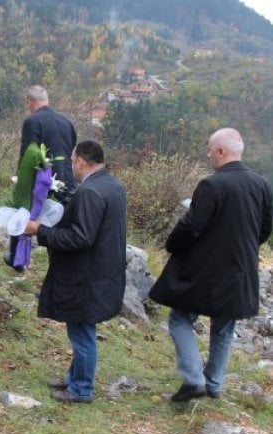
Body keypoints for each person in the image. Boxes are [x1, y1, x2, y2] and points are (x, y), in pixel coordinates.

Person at [149, 128, 272, 402]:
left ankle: (194, 378)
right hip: (240, 270)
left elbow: (191, 225)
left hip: (204, 272)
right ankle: (214, 384)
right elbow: (264, 230)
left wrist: (172, 244)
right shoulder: (262, 185)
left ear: (221, 151)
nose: (207, 155)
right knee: (224, 328)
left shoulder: (212, 185)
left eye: (209, 149)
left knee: (180, 318)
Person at [24, 140, 127, 403]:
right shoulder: (113, 185)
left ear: (81, 160)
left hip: (87, 276)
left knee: (82, 334)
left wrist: (41, 231)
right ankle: (73, 378)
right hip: (102, 271)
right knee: (80, 329)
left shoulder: (90, 192)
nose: (72, 166)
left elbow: (80, 237)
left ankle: (82, 389)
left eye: (72, 161)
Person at [5, 85, 77, 270]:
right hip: (67, 179)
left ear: (30, 102)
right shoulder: (66, 121)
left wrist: (20, 179)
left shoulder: (32, 121)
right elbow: (72, 149)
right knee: (59, 224)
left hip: (42, 177)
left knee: (24, 213)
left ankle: (17, 258)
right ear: (47, 99)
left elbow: (29, 153)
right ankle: (58, 268)